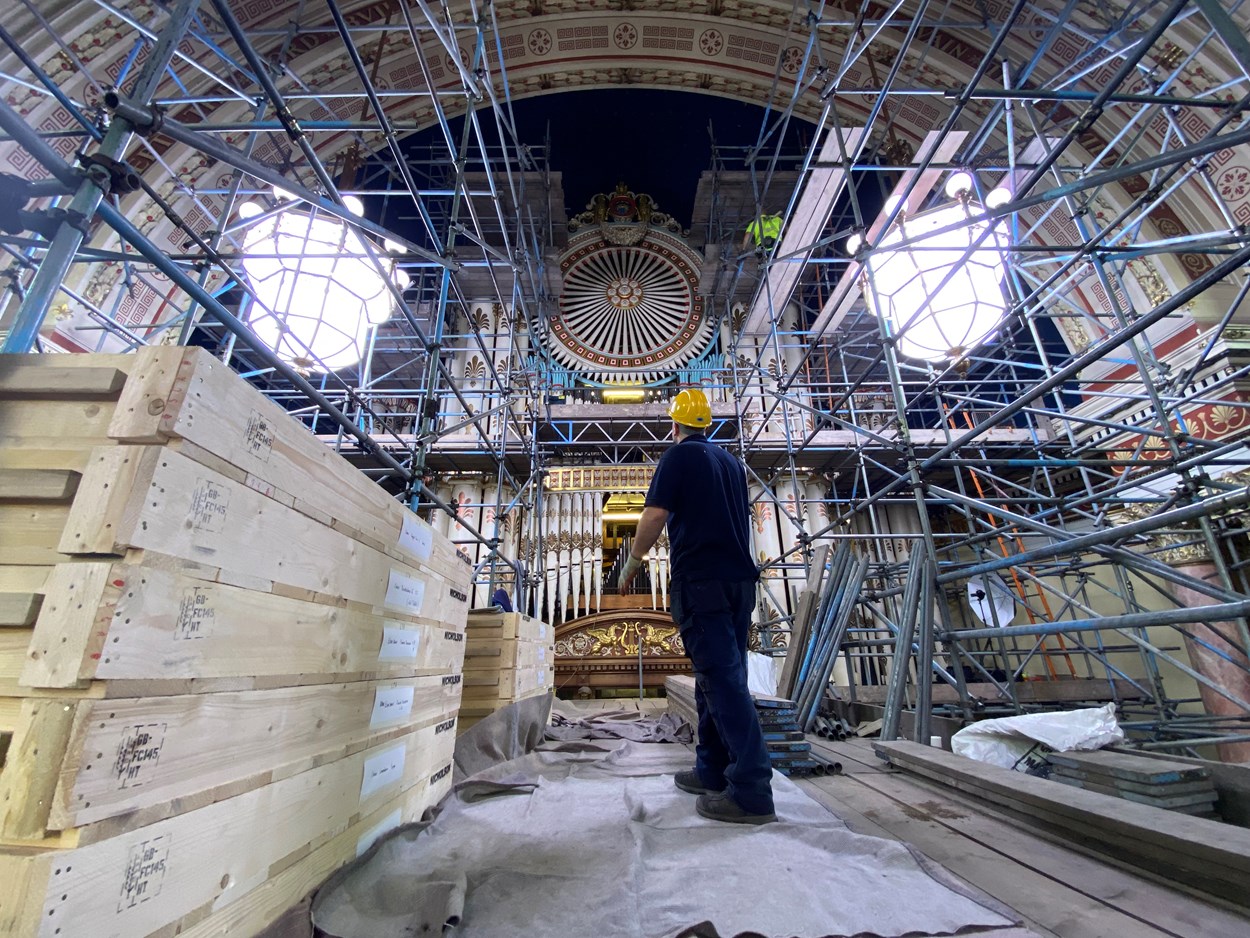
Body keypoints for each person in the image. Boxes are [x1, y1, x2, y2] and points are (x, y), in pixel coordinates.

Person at [618, 388, 775, 824]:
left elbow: (653, 515)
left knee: (720, 680)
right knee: (717, 675)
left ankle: (751, 789)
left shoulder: (678, 457)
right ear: (707, 423)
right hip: (739, 582)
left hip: (702, 581)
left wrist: (633, 561)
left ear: (675, 424)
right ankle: (712, 769)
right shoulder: (730, 462)